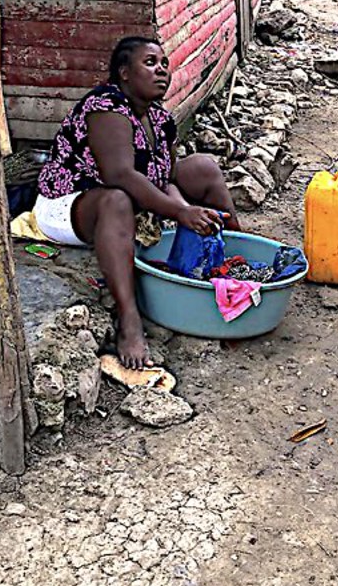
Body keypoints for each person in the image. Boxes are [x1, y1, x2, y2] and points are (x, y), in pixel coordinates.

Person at [35, 36, 240, 370]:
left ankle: (236, 263)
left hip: (126, 201)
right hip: (69, 204)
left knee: (203, 167)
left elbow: (167, 180)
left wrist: (189, 210)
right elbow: (119, 176)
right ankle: (129, 319)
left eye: (164, 64)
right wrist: (180, 211)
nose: (162, 71)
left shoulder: (159, 119)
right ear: (124, 73)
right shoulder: (105, 106)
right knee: (117, 200)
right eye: (150, 63)